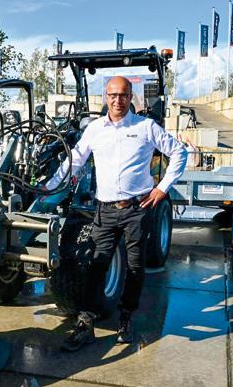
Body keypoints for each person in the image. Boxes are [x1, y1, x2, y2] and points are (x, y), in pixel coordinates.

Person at [45, 76, 188, 351]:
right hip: (105, 210)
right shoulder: (95, 129)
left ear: (130, 97)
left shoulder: (146, 127)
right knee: (95, 265)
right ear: (106, 97)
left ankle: (126, 318)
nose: (117, 100)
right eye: (112, 95)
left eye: (123, 95)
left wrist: (162, 189)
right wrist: (50, 187)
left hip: (137, 210)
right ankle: (86, 322)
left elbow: (179, 153)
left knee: (135, 268)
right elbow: (75, 160)